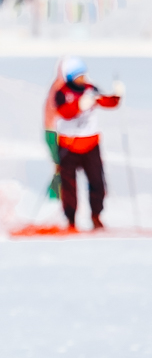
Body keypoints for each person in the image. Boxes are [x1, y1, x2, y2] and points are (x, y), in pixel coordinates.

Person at [49, 57, 123, 231]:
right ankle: (71, 220)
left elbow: (106, 102)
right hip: (69, 145)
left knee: (97, 181)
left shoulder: (91, 89)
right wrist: (79, 106)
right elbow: (64, 112)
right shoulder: (62, 92)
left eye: (83, 74)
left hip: (90, 144)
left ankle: (96, 216)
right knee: (69, 185)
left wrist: (117, 96)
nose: (82, 78)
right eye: (78, 75)